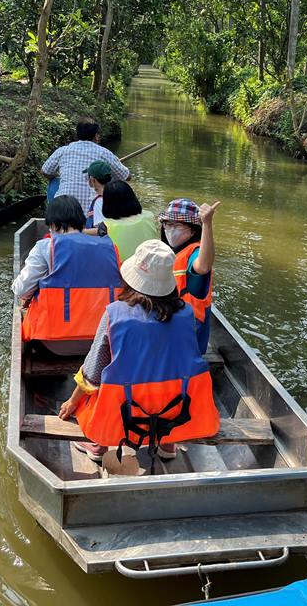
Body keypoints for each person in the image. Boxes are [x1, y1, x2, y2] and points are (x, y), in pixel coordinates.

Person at [58, 239, 220, 464]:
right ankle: (167, 443)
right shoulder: (188, 313)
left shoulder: (113, 315)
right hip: (177, 411)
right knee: (165, 380)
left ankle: (97, 444)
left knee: (92, 390)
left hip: (126, 414)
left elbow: (92, 373)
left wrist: (72, 402)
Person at [12, 195, 123, 354]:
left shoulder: (45, 247)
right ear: (81, 221)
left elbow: (22, 290)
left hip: (52, 344)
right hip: (104, 342)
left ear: (52, 223)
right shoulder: (110, 247)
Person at [158, 199, 220, 355]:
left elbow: (203, 266)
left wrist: (207, 224)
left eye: (177, 225)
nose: (170, 230)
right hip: (172, 330)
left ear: (193, 230)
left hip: (186, 339)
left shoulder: (194, 252)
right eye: (168, 224)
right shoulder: (170, 252)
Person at [41, 117, 129, 212]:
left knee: (55, 181)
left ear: (77, 134)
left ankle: (52, 212)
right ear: (96, 136)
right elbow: (126, 177)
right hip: (91, 213)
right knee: (109, 183)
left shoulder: (63, 150)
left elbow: (45, 171)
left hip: (62, 211)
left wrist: (59, 176)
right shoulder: (105, 153)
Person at [86, 180, 159, 262]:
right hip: (152, 264)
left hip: (124, 270)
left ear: (107, 203)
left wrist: (79, 231)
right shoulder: (149, 216)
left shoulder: (107, 226)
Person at [82, 160, 112, 228]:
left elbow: (102, 231)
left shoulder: (99, 202)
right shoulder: (117, 194)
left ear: (92, 180)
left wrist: (81, 232)